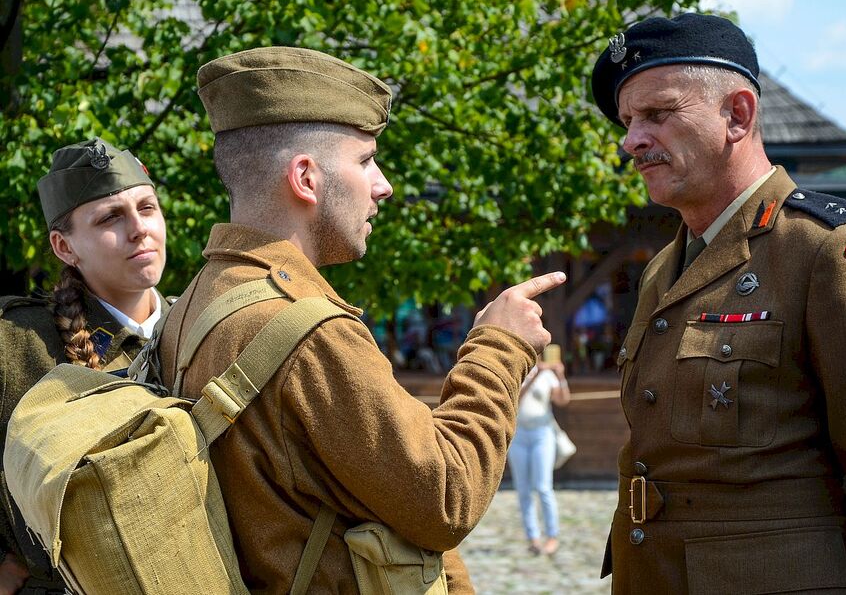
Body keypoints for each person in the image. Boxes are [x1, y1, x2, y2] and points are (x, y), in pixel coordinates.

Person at [156, 47, 566, 593]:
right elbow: (446, 496)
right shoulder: (306, 332)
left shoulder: (193, 302)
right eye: (366, 159)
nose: (383, 184)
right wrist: (499, 347)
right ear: (306, 177)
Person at [590, 13, 846, 593]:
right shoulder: (664, 267)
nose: (631, 139)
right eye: (629, 120)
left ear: (738, 115)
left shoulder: (826, 251)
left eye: (657, 114)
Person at [0, 138, 167, 594]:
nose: (139, 229)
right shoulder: (16, 343)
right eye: (111, 217)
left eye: (147, 208)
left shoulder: (205, 325)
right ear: (64, 246)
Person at [507, 360, 570, 555]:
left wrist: (560, 375)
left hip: (542, 433)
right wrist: (534, 376)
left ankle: (552, 536)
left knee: (543, 487)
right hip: (519, 435)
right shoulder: (518, 373)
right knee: (523, 488)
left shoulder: (548, 375)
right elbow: (514, 402)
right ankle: (533, 537)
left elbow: (563, 400)